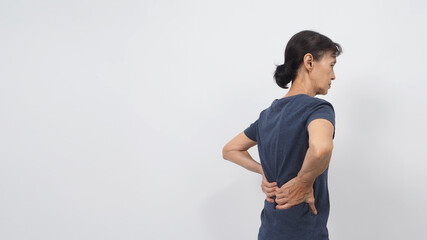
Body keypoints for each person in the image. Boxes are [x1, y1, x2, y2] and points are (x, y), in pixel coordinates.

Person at [222, 30, 343, 240]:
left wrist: (264, 172)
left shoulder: (268, 115)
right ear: (309, 61)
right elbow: (321, 147)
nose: (333, 75)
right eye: (331, 65)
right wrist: (304, 182)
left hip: (269, 230)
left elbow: (230, 149)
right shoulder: (318, 109)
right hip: (304, 232)